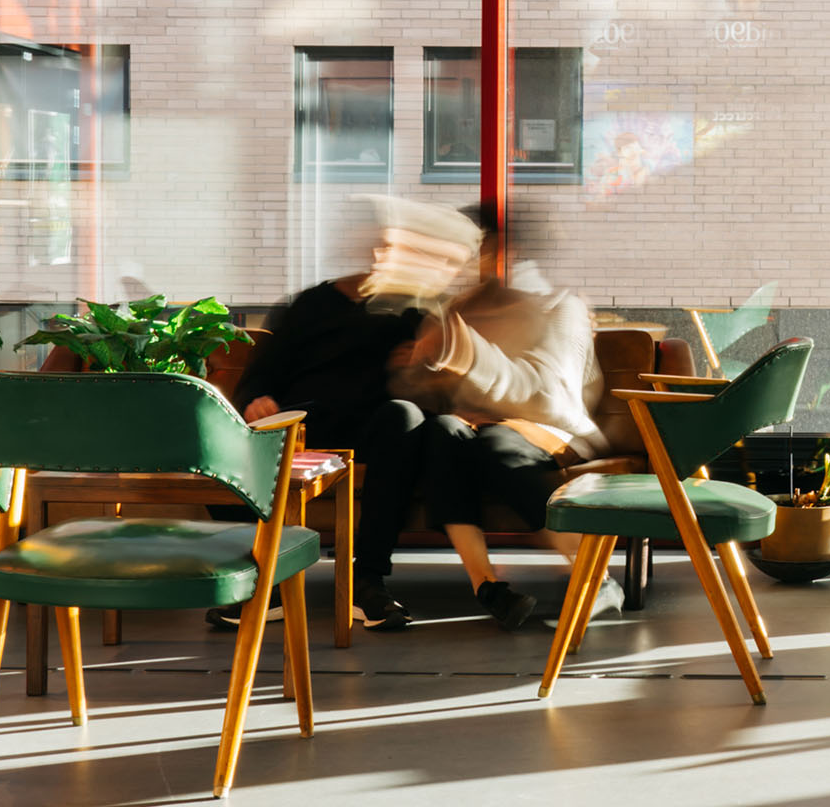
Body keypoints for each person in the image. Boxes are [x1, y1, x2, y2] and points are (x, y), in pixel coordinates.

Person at [222, 196, 479, 633]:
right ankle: (272, 585)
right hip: (307, 423)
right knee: (254, 439)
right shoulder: (308, 306)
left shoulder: (418, 310)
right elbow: (259, 375)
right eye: (374, 245)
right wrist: (257, 399)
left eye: (390, 247)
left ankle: (367, 582)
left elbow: (446, 384)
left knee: (403, 417)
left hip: (378, 429)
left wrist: (423, 367)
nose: (381, 256)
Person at [392, 213, 612, 632]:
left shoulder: (561, 308)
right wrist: (419, 365)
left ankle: (596, 576)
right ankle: (489, 588)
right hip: (479, 428)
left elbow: (548, 396)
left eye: (492, 249)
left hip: (554, 431)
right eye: (483, 250)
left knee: (496, 445)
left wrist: (465, 355)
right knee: (442, 433)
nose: (483, 261)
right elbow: (429, 388)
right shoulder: (461, 310)